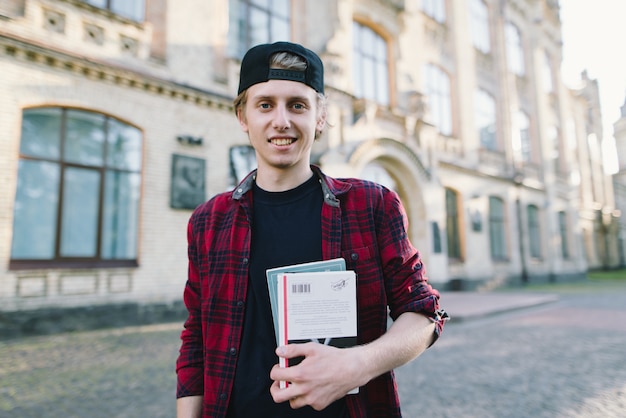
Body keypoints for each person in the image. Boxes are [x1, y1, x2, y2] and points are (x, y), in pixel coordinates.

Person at [176, 41, 448, 418]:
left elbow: (425, 315)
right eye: (265, 104)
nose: (282, 121)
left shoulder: (372, 205)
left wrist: (357, 364)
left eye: (298, 105)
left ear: (320, 116)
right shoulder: (209, 221)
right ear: (243, 117)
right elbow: (196, 339)